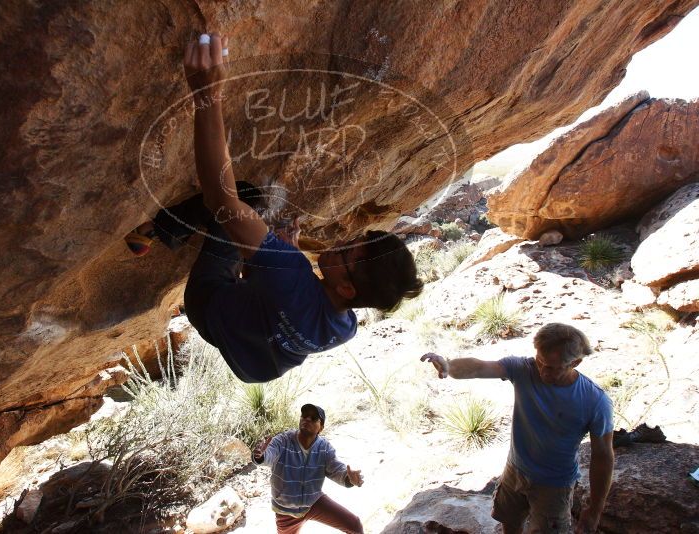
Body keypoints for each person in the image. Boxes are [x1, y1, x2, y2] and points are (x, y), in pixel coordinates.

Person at [126, 32, 423, 382]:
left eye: (346, 251)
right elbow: (282, 298)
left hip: (208, 304)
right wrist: (281, 258)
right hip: (249, 356)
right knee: (255, 252)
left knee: (245, 197)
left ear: (346, 288)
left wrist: (207, 95)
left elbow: (220, 198)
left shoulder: (291, 272)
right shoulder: (346, 327)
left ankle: (158, 228)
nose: (338, 242)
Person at [421, 323, 614, 534]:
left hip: (554, 485)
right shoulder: (524, 369)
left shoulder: (595, 401)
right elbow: (479, 367)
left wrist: (595, 510)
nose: (541, 370)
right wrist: (449, 366)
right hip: (515, 470)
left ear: (575, 362)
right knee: (509, 523)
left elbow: (603, 456)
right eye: (539, 361)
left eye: (550, 367)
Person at [253, 404, 364, 534]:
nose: (307, 419)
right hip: (286, 511)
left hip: (313, 502)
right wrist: (260, 456)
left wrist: (349, 479)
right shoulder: (283, 440)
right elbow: (269, 454)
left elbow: (336, 469)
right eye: (304, 416)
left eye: (313, 418)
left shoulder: (324, 448)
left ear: (321, 428)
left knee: (354, 525)